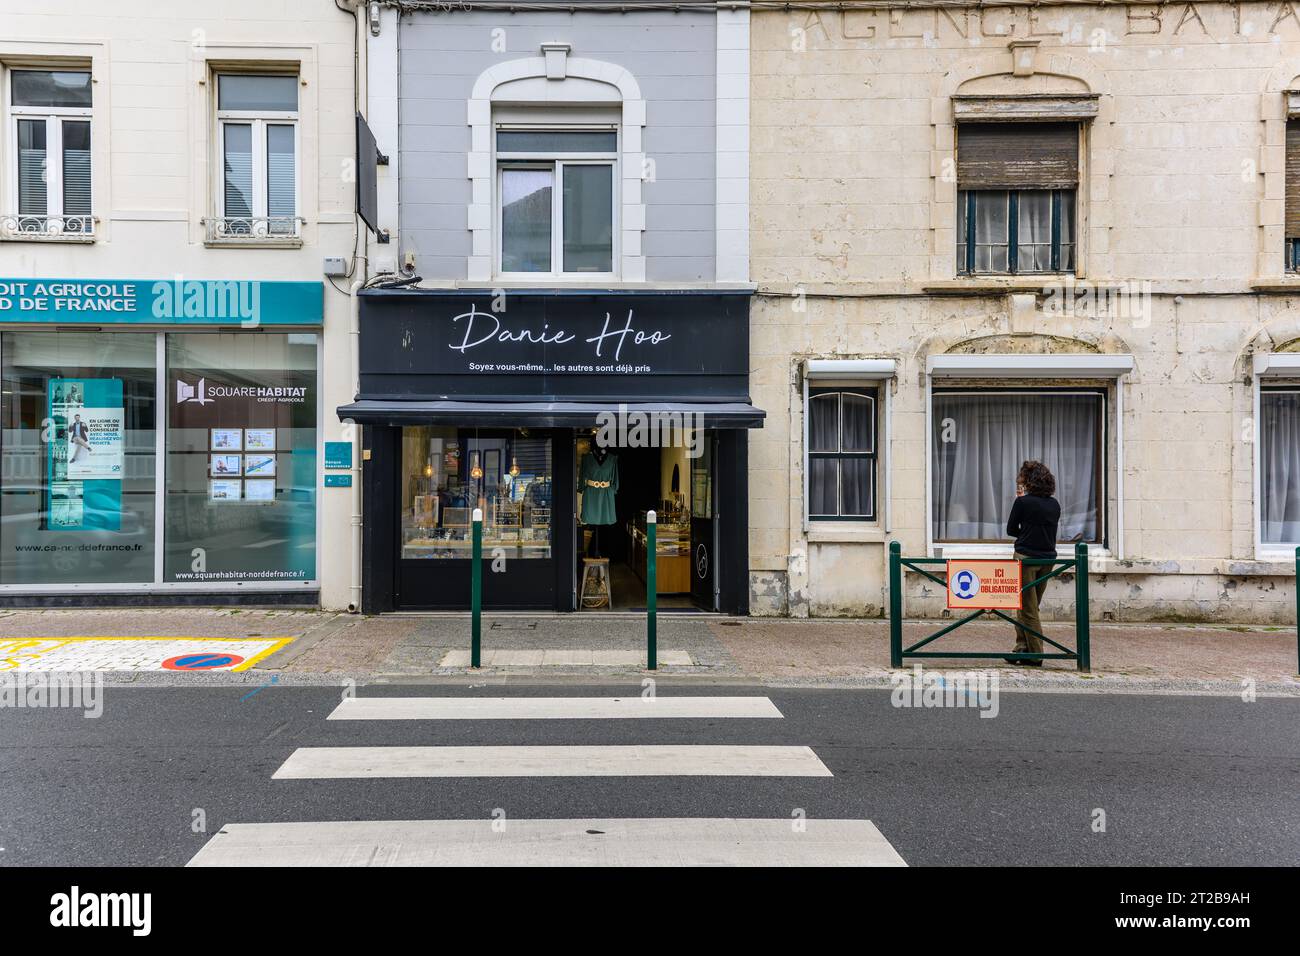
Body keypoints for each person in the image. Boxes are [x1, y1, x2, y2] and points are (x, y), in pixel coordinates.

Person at [1005, 460, 1060, 667]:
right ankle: (1021, 649)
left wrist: (1025, 535)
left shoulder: (1023, 503)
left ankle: (1035, 654)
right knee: (1029, 606)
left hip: (1026, 558)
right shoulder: (1054, 504)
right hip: (1048, 559)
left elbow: (1011, 529)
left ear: (1028, 480)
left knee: (1026, 608)